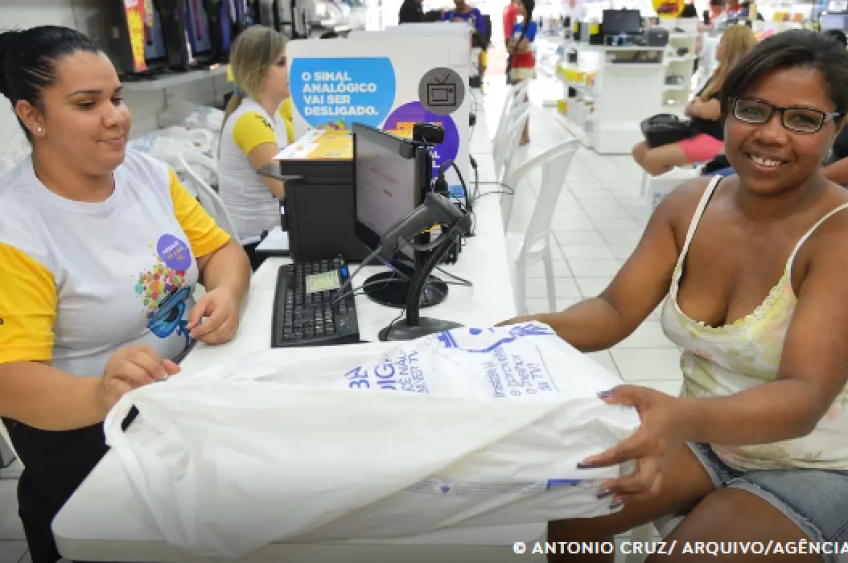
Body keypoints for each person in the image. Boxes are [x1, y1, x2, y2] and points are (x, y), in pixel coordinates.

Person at [502, 29, 848, 560]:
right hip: (710, 438)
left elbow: (803, 399)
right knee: (565, 521)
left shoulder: (836, 235)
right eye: (752, 110)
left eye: (802, 119)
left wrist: (679, 417)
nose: (771, 135)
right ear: (726, 112)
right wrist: (519, 333)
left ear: (837, 129)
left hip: (815, 463)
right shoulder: (692, 203)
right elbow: (614, 311)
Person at [0, 25, 251, 563]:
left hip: (181, 403)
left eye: (116, 97)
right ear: (32, 116)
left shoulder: (147, 175)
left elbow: (222, 252)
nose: (116, 116)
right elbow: (10, 379)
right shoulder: (16, 229)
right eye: (87, 103)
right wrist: (100, 394)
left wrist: (226, 293)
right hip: (91, 437)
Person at [633, 24, 756, 176]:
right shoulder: (718, 76)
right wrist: (697, 107)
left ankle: (676, 192)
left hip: (717, 139)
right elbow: (692, 107)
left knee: (653, 158)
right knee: (640, 150)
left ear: (730, 47)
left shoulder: (738, 81)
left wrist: (697, 106)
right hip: (697, 131)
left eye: (721, 43)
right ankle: (674, 186)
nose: (717, 47)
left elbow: (709, 111)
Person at [218, 26, 290, 271]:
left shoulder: (275, 117)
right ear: (257, 72)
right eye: (281, 63)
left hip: (271, 233)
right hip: (257, 244)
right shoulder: (251, 121)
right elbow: (287, 191)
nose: (290, 70)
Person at [506, 0, 536, 145]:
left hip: (525, 65)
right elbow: (510, 47)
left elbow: (522, 46)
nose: (517, 7)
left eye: (520, 4)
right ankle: (520, 133)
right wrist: (519, 48)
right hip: (515, 64)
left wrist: (517, 47)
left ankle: (525, 134)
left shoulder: (532, 25)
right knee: (517, 99)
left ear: (527, 7)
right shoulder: (516, 26)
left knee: (522, 98)